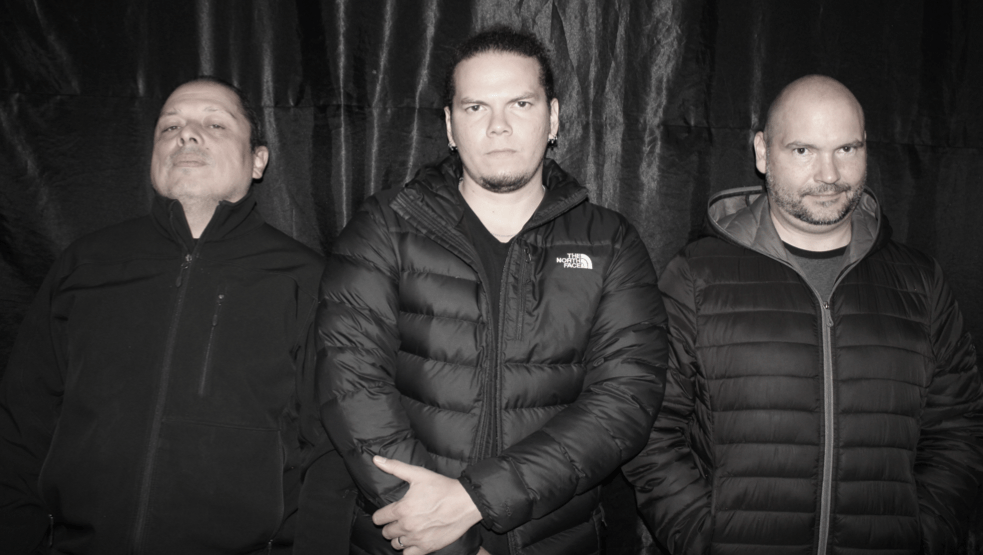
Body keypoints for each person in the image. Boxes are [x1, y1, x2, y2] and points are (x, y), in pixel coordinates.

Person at [315, 27, 668, 555]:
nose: (498, 126)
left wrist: (476, 500)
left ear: (553, 118)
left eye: (520, 104)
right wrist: (449, 540)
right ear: (450, 126)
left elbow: (625, 401)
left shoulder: (610, 242)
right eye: (476, 107)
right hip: (410, 541)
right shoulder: (384, 227)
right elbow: (351, 385)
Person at [624, 75, 983, 554]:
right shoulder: (696, 276)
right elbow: (651, 428)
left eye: (846, 149)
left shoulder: (921, 282)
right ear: (762, 152)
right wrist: (703, 541)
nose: (829, 174)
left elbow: (959, 429)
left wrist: (925, 537)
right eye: (803, 150)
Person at [0, 77, 336, 554]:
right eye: (170, 127)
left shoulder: (307, 281)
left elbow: (327, 454)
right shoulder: (85, 266)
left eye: (215, 124)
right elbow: (20, 427)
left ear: (258, 159)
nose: (187, 135)